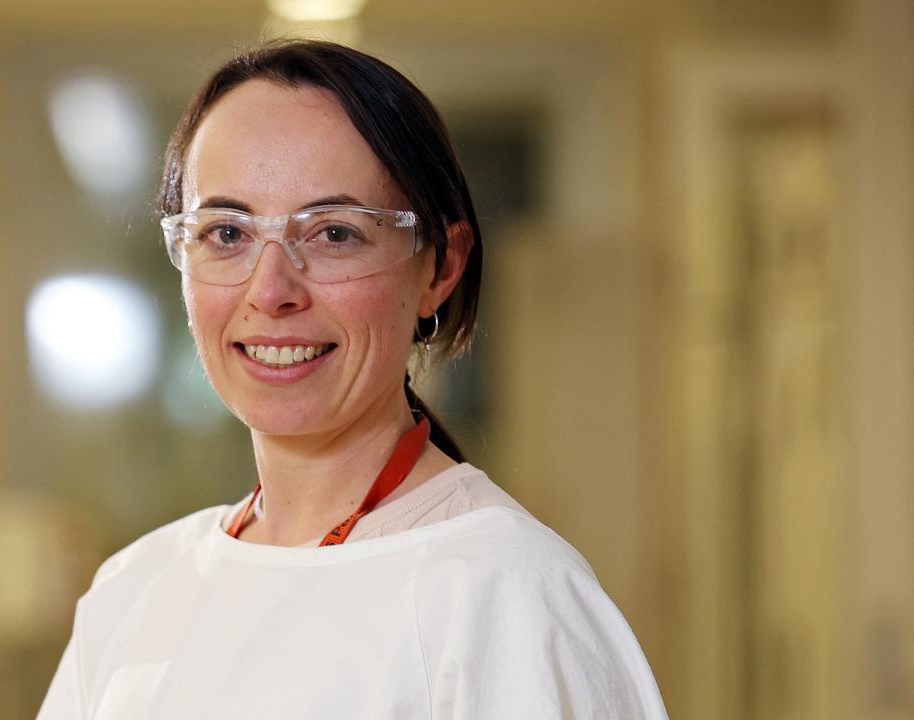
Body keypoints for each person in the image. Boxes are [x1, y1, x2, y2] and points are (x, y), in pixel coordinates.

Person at [37, 39, 668, 719]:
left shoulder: (506, 594)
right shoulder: (136, 591)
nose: (271, 289)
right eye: (226, 233)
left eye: (334, 233)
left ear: (440, 266)